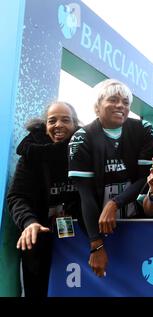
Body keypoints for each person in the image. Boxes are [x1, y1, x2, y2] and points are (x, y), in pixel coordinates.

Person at [68, 79, 153, 277]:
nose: (121, 106)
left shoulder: (143, 129)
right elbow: (85, 194)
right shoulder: (82, 137)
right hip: (96, 225)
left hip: (136, 222)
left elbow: (145, 177)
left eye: (126, 102)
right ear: (96, 107)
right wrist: (96, 244)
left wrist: (115, 203)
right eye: (113, 100)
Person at [7, 101, 81, 297]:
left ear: (75, 125)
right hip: (38, 242)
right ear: (45, 125)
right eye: (52, 120)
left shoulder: (84, 151)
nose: (58, 125)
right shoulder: (31, 153)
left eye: (65, 120)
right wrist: (29, 223)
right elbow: (17, 197)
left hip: (77, 241)